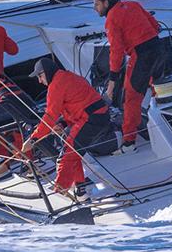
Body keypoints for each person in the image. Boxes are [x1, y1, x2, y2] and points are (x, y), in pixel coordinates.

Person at [22, 59, 117, 200]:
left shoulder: (56, 84)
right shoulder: (67, 76)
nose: (40, 81)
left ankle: (58, 197)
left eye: (40, 76)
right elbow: (77, 104)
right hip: (98, 116)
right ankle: (80, 189)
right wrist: (64, 125)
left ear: (46, 72)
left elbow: (50, 115)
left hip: (91, 119)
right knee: (73, 151)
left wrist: (34, 138)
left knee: (66, 156)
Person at [93, 0, 163, 153]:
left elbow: (116, 52)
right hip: (159, 49)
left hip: (141, 56)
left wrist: (112, 82)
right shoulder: (133, 4)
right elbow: (155, 25)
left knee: (131, 99)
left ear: (106, 3)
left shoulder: (111, 19)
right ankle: (168, 126)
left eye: (96, 4)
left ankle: (129, 142)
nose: (95, 8)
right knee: (159, 90)